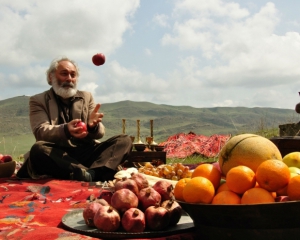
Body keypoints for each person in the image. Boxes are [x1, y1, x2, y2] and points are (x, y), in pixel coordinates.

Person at [16, 57, 132, 182]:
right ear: (51, 77)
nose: (69, 79)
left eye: (73, 75)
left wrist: (93, 126)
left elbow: (100, 133)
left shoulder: (86, 97)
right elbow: (40, 131)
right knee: (38, 149)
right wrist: (66, 129)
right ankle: (92, 172)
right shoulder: (38, 100)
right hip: (58, 155)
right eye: (64, 74)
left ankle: (87, 174)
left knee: (124, 140)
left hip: (85, 151)